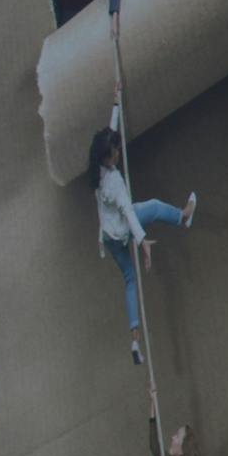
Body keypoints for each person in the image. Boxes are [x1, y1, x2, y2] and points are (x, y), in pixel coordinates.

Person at [90, 96, 198, 365]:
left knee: (130, 281)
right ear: (108, 156)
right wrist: (142, 242)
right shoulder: (113, 181)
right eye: (115, 152)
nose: (118, 153)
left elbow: (109, 135)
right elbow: (128, 210)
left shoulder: (97, 170)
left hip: (108, 237)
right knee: (155, 206)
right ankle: (183, 216)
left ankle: (135, 339)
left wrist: (115, 104)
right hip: (124, 228)